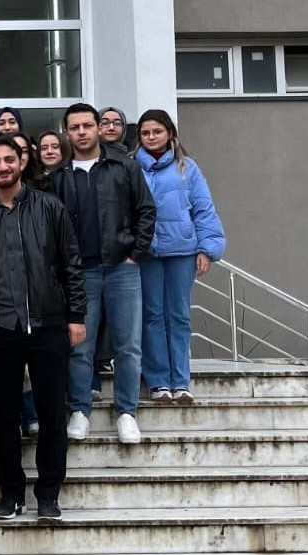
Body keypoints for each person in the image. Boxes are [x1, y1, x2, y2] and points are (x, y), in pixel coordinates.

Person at [0, 136, 86, 523]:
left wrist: (76, 315)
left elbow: (71, 263)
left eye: (9, 159)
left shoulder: (49, 207)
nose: (3, 166)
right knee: (4, 416)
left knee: (52, 413)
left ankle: (49, 495)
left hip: (47, 321)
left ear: (22, 161)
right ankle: (11, 494)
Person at [50, 103, 156, 445]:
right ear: (67, 132)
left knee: (128, 346)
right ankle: (80, 410)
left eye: (87, 125)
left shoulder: (124, 166)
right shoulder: (58, 176)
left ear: (98, 127)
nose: (81, 132)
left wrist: (136, 254)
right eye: (74, 127)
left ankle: (127, 412)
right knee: (80, 347)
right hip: (80, 273)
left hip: (121, 268)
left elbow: (146, 210)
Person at [134, 109, 226, 404]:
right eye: (145, 133)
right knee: (152, 315)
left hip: (182, 251)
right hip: (146, 253)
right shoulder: (131, 166)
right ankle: (158, 381)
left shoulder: (188, 167)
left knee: (179, 315)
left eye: (156, 132)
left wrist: (207, 249)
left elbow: (203, 208)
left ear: (170, 133)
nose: (151, 137)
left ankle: (181, 381)